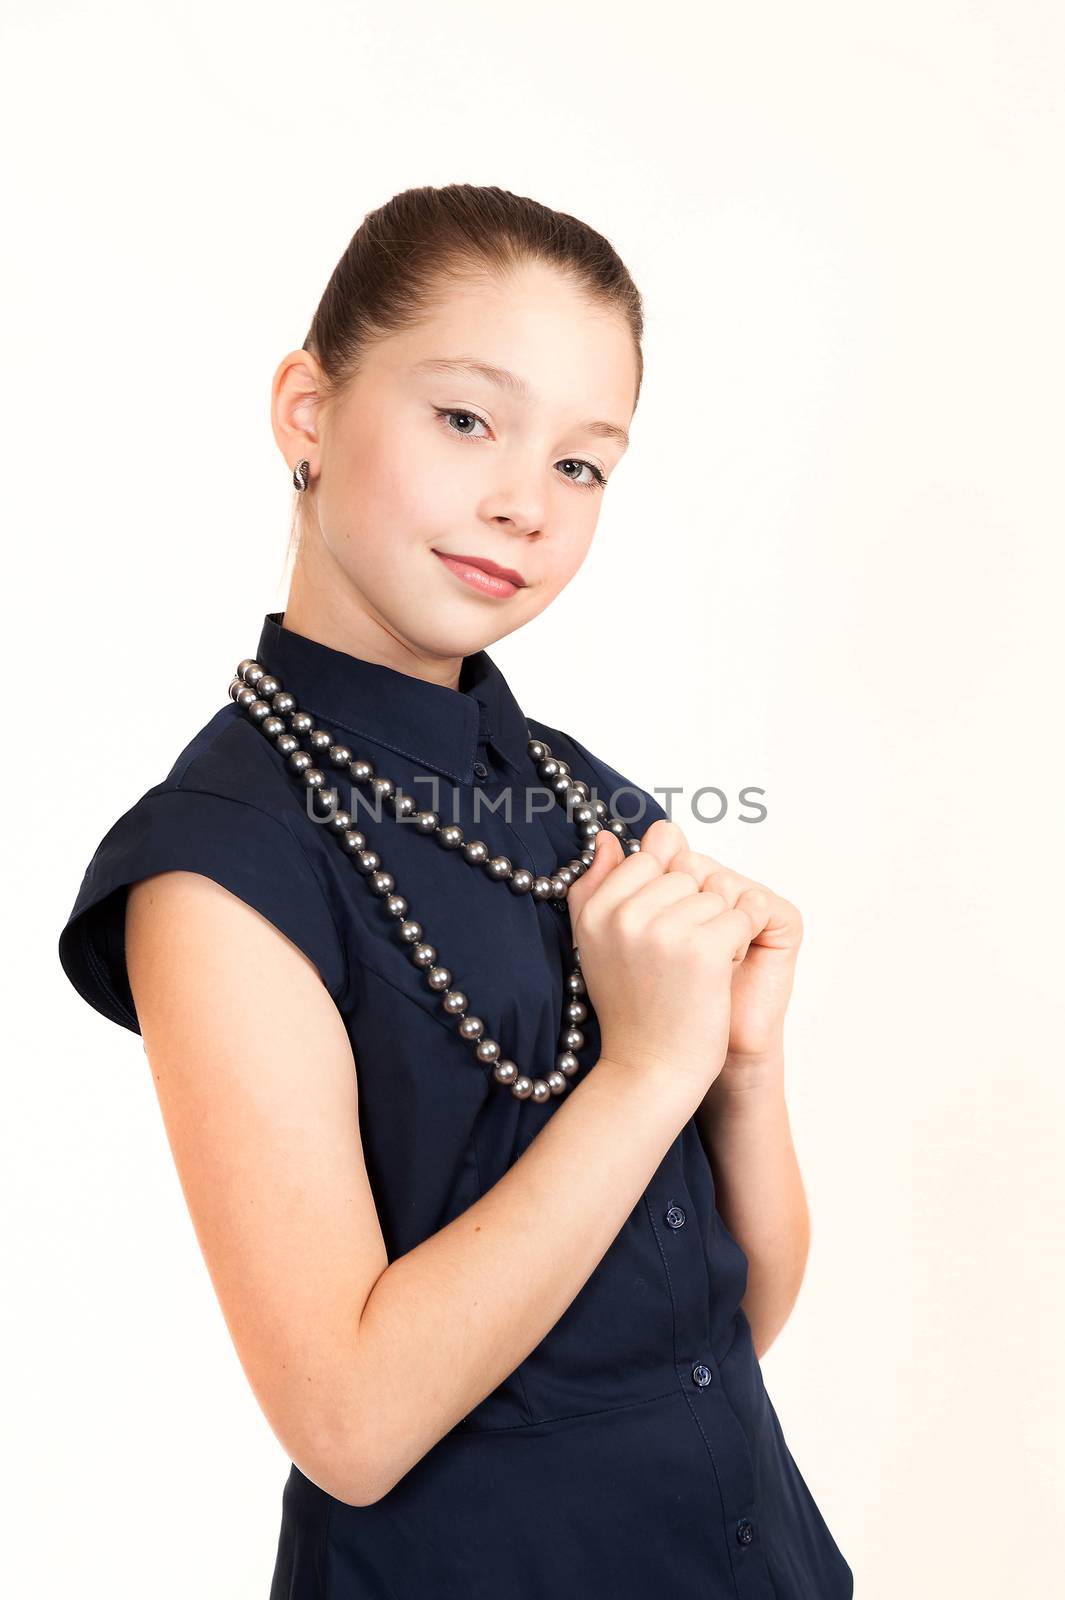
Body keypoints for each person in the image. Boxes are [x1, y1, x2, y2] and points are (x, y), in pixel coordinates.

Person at [57, 183, 854, 1599]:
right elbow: (348, 1427)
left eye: (582, 465)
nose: (521, 506)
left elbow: (729, 1325)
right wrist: (643, 1070)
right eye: (467, 419)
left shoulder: (588, 805)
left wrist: (737, 1065)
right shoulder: (217, 865)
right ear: (308, 410)